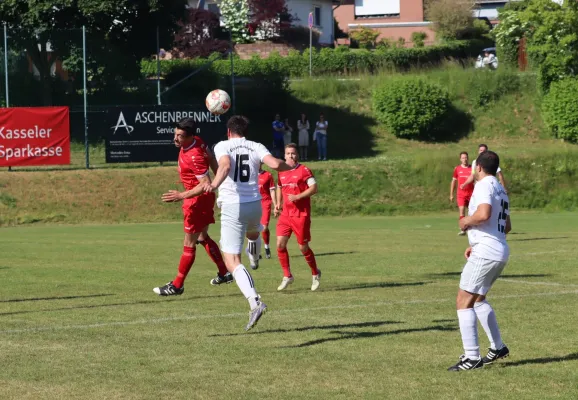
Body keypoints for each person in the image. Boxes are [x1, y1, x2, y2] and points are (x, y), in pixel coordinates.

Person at [204, 115, 292, 331]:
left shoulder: (223, 145)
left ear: (228, 131)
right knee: (253, 234)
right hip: (254, 204)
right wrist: (289, 167)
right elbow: (274, 164)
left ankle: (255, 302)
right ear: (245, 131)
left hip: (233, 206)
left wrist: (214, 185)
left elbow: (224, 166)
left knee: (231, 260)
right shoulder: (256, 146)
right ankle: (254, 255)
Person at [153, 118, 232, 297]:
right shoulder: (198, 142)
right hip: (203, 199)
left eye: (180, 136)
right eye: (175, 134)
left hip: (196, 200)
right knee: (203, 237)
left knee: (189, 243)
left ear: (190, 137)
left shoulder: (194, 155)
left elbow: (204, 183)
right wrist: (221, 182)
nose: (175, 138)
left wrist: (181, 195)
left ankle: (177, 285)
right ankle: (224, 273)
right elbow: (212, 159)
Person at [449, 150, 511, 371]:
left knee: (463, 299)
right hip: (498, 248)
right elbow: (507, 226)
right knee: (478, 299)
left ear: (479, 168)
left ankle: (472, 357)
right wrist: (474, 243)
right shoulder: (501, 190)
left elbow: (484, 214)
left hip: (487, 251)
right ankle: (498, 347)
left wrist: (466, 221)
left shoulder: (484, 185)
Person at [274, 143, 321, 291]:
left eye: (293, 153)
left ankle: (315, 273)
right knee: (280, 245)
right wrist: (277, 204)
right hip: (286, 215)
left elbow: (314, 188)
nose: (290, 156)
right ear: (284, 155)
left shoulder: (304, 170)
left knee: (303, 247)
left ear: (297, 155)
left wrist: (298, 196)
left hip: (301, 215)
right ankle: (287, 275)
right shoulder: (281, 171)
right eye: (288, 153)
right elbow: (280, 187)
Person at [450, 152, 474, 236]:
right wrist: (451, 194)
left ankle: (472, 228)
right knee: (462, 210)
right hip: (461, 194)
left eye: (466, 157)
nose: (465, 159)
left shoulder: (472, 168)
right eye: (463, 158)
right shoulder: (457, 169)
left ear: (468, 158)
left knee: (472, 211)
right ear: (460, 159)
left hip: (471, 193)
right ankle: (463, 229)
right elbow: (453, 181)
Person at [258, 164, 277, 261]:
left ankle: (266, 247)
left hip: (265, 203)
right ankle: (256, 252)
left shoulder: (268, 175)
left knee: (264, 228)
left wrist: (275, 205)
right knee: (253, 229)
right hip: (253, 203)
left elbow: (272, 191)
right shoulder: (248, 176)